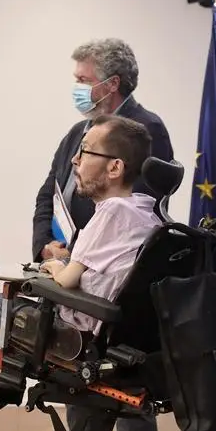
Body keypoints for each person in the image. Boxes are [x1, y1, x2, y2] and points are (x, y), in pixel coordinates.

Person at [0, 116, 162, 431]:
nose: (75, 159)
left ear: (115, 167)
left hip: (81, 336)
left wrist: (54, 266)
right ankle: (3, 380)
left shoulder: (109, 212)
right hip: (121, 335)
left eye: (86, 151)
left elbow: (69, 279)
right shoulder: (147, 213)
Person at [34, 38, 174, 263]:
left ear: (113, 84)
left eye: (84, 80)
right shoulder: (77, 132)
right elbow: (47, 194)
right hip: (62, 261)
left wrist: (78, 253)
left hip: (106, 266)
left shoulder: (146, 130)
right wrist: (45, 245)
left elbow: (132, 210)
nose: (77, 87)